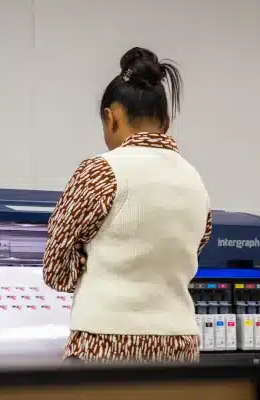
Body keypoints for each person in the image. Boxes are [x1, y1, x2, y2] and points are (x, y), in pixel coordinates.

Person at [42, 47, 212, 364]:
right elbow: (190, 247)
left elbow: (56, 271)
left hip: (106, 341)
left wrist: (87, 263)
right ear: (166, 121)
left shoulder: (100, 171)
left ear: (112, 118)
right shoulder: (196, 181)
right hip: (181, 345)